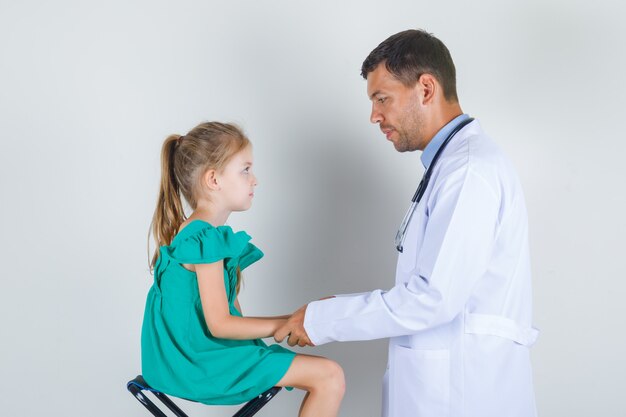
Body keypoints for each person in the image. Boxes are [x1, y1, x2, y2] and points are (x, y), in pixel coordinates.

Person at [275, 29, 538, 417]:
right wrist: (335, 309)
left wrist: (325, 319)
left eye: (382, 99)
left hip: (464, 394)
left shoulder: (468, 171)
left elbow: (432, 298)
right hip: (447, 387)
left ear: (426, 89)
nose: (374, 116)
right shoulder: (450, 166)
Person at [141, 121, 344, 417]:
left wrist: (296, 320)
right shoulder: (203, 238)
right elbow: (220, 325)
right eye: (245, 169)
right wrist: (288, 322)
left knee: (327, 374)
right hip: (193, 365)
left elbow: (232, 323)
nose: (255, 180)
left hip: (185, 361)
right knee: (329, 376)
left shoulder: (206, 236)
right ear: (214, 179)